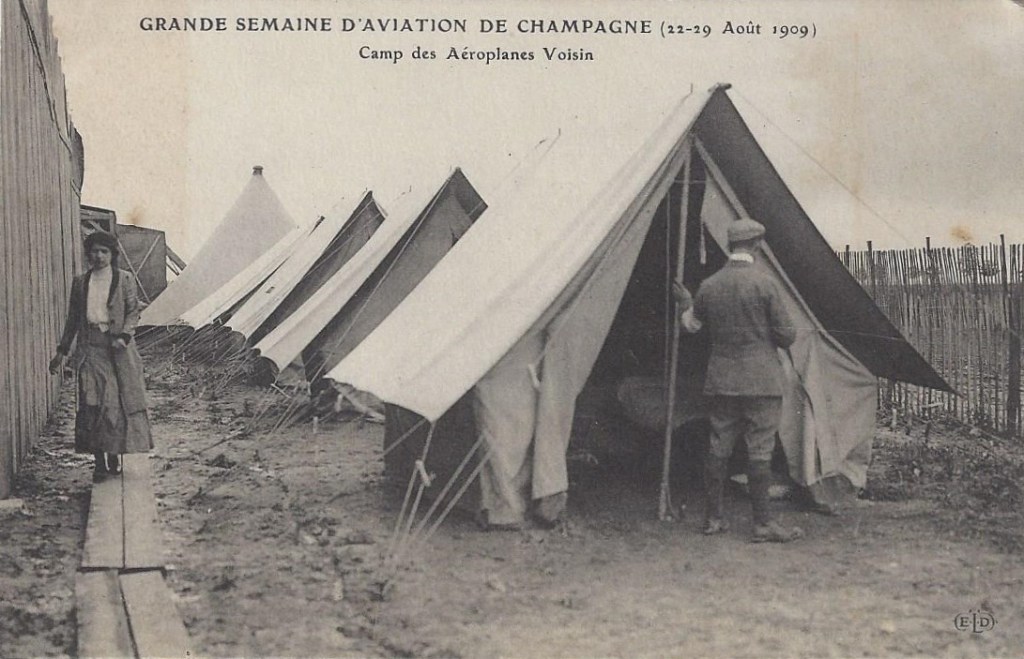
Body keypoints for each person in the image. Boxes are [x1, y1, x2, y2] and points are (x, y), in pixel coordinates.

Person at [676, 217, 803, 543]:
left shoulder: (709, 286)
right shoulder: (765, 284)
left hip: (722, 381)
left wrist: (686, 302)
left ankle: (714, 519)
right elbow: (787, 336)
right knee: (760, 449)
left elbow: (691, 326)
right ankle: (762, 524)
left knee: (718, 445)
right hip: (762, 382)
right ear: (757, 246)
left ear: (729, 245)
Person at [49, 231, 152, 482]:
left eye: (104, 251)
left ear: (112, 254)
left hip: (117, 351)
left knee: (113, 405)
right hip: (90, 349)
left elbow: (132, 311)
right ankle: (98, 463)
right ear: (88, 254)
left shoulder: (124, 279)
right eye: (94, 251)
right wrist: (62, 351)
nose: (99, 256)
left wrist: (124, 336)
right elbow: (73, 319)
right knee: (91, 404)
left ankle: (114, 454)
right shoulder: (81, 282)